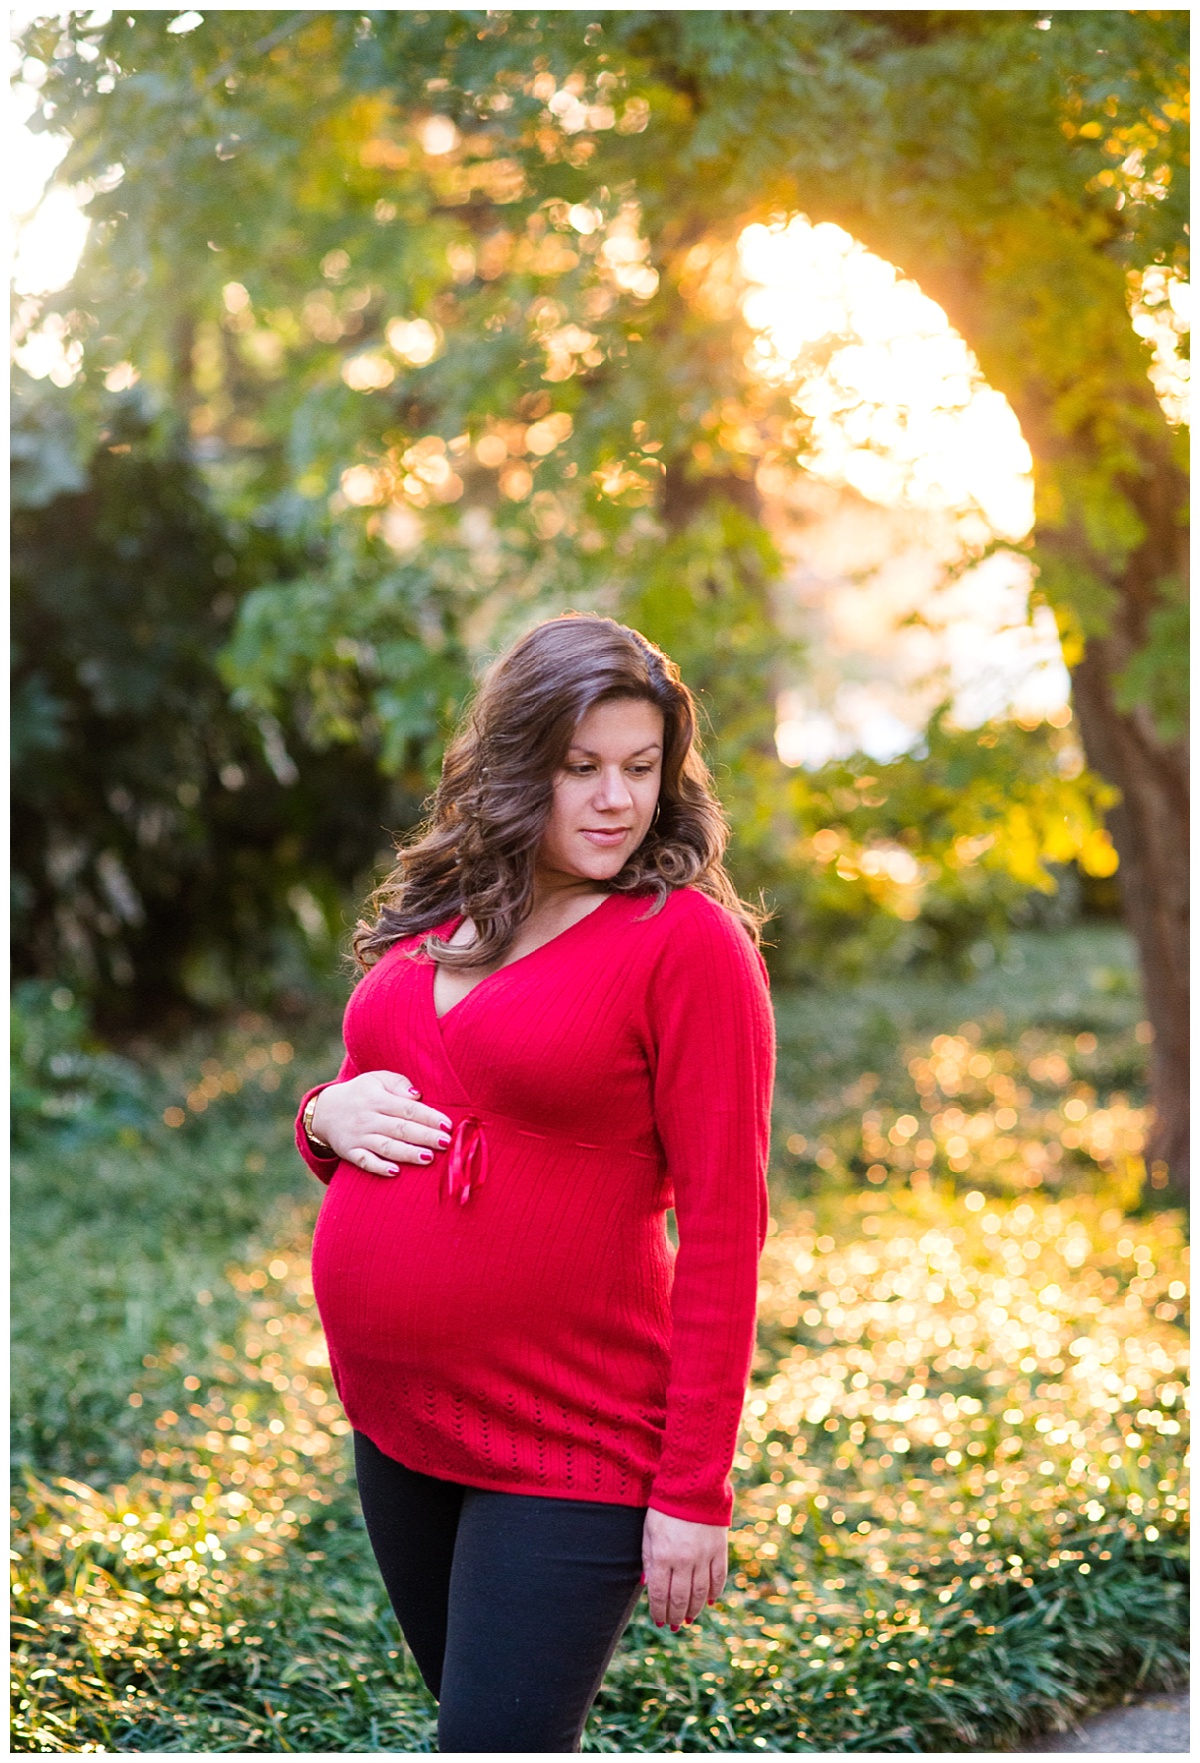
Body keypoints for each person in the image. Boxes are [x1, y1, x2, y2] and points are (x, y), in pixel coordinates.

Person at [294, 613, 775, 1752]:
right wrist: (319, 1113)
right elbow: (378, 1095)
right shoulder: (457, 908)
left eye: (642, 768)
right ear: (518, 767)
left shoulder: (683, 944)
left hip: (571, 1435)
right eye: (581, 768)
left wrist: (694, 1490)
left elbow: (723, 1226)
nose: (617, 799)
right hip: (400, 1424)